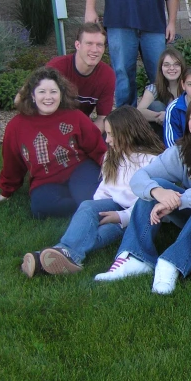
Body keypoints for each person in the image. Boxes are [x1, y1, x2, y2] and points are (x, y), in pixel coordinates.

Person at [94, 95, 191, 295]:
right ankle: (136, 257)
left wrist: (179, 200)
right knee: (157, 184)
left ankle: (172, 262)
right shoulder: (183, 149)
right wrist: (158, 192)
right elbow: (139, 177)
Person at [21, 106, 165, 278]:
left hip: (136, 216)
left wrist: (120, 217)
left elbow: (148, 202)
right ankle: (63, 254)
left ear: (128, 133)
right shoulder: (111, 157)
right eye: (107, 134)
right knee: (88, 207)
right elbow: (104, 188)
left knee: (101, 233)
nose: (107, 140)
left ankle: (51, 257)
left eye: (111, 134)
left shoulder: (152, 162)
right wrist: (97, 212)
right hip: (113, 204)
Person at [0, 68, 106, 219]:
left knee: (87, 196)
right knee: (40, 208)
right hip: (45, 179)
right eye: (42, 91)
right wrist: (6, 190)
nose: (48, 97)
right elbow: (12, 161)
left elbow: (97, 147)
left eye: (53, 92)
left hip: (79, 169)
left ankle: (89, 203)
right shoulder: (16, 126)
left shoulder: (75, 116)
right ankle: (82, 206)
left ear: (61, 95)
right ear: (32, 96)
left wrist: (111, 168)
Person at [44, 23, 115, 134]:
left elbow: (102, 118)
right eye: (89, 43)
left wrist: (86, 139)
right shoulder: (57, 67)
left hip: (80, 127)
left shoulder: (107, 75)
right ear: (77, 45)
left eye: (99, 45)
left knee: (111, 140)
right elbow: (24, 99)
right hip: (50, 125)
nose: (94, 49)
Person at [137, 47, 186, 136]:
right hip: (161, 134)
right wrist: (158, 116)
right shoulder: (154, 88)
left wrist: (168, 116)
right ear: (161, 68)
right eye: (167, 65)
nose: (171, 68)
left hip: (183, 132)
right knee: (156, 106)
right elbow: (138, 112)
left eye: (176, 64)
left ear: (182, 67)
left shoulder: (188, 87)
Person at [164, 64, 191, 147]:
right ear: (183, 85)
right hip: (184, 155)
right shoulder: (174, 109)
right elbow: (172, 145)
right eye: (190, 84)